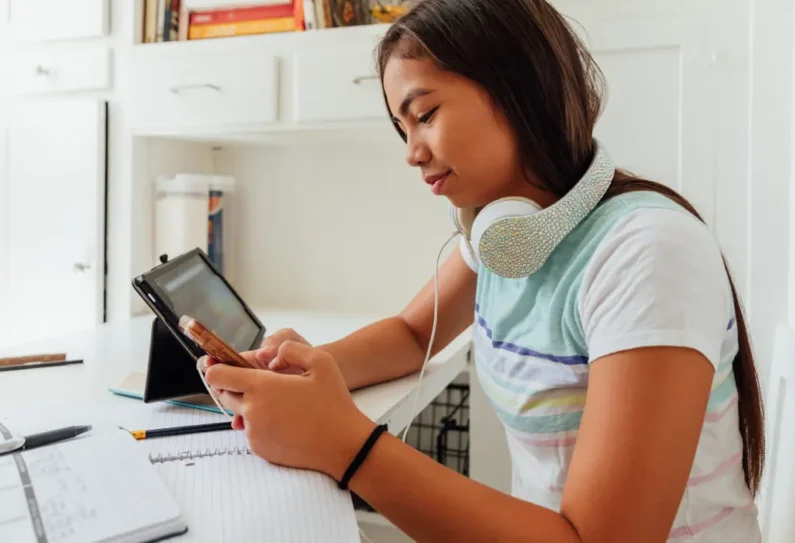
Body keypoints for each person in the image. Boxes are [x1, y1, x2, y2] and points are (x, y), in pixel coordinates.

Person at [199, 0, 765, 540]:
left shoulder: (647, 252)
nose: (411, 152)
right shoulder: (503, 237)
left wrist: (345, 444)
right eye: (404, 128)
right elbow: (413, 333)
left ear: (519, 89)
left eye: (425, 115)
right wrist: (308, 374)